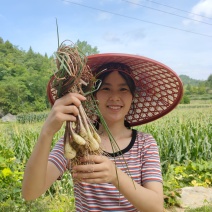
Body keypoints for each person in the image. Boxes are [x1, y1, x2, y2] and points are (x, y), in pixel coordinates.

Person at [22, 53, 183, 212]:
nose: (115, 97)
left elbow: (156, 207)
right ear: (92, 95)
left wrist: (115, 175)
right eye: (106, 88)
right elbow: (30, 193)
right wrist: (47, 132)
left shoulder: (145, 143)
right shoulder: (76, 142)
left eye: (123, 89)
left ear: (133, 97)